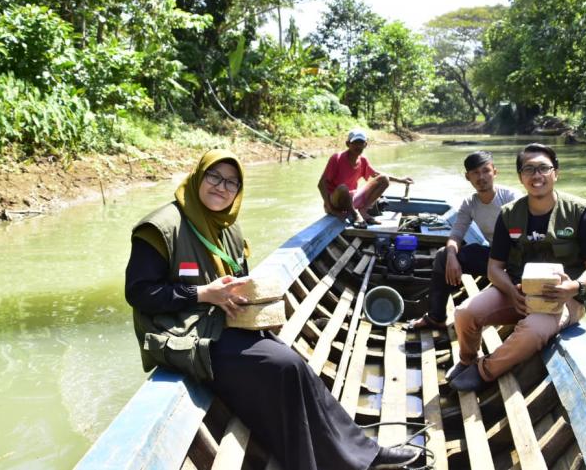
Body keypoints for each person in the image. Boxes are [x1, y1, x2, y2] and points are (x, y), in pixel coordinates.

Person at [125, 149, 419, 470]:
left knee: (298, 366)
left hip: (225, 321)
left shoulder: (228, 228)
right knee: (284, 366)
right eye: (214, 177)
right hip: (183, 333)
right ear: (198, 176)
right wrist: (203, 293)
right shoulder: (161, 227)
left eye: (231, 183)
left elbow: (240, 280)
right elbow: (140, 293)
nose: (221, 188)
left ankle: (364, 452)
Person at [448, 143, 586, 391]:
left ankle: (485, 371)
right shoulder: (509, 214)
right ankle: (467, 360)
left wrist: (573, 287)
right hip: (516, 291)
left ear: (556, 172)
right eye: (529, 169)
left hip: (564, 299)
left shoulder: (580, 212)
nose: (537, 175)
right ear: (521, 177)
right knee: (464, 313)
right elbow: (494, 268)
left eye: (544, 168)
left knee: (532, 330)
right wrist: (512, 292)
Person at [407, 151, 519, 331]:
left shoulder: (510, 197)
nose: (481, 177)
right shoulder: (470, 203)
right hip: (494, 258)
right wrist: (451, 255)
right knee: (443, 256)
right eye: (475, 173)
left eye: (486, 171)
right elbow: (456, 235)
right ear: (468, 177)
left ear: (494, 172)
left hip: (519, 259)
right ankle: (436, 317)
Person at [318, 129, 413, 226]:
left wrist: (401, 180)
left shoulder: (363, 160)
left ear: (365, 145)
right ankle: (355, 215)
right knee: (343, 188)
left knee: (384, 178)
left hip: (352, 199)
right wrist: (329, 207)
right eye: (355, 143)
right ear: (348, 144)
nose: (358, 146)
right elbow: (321, 184)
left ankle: (363, 211)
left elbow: (376, 174)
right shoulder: (336, 158)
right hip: (336, 202)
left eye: (361, 143)